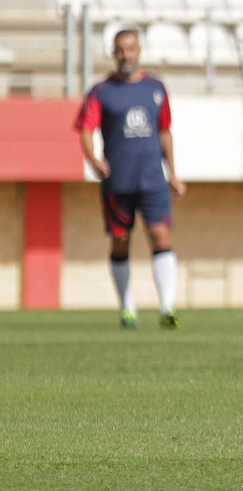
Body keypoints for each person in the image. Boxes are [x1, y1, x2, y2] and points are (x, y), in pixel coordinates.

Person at [74, 27, 186, 329]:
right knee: (121, 241)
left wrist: (173, 173)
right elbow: (85, 128)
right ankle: (127, 307)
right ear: (114, 53)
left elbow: (165, 131)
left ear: (139, 51)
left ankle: (167, 308)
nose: (126, 55)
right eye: (121, 50)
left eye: (131, 49)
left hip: (152, 179)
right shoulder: (101, 91)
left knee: (161, 236)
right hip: (118, 181)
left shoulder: (156, 88)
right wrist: (93, 158)